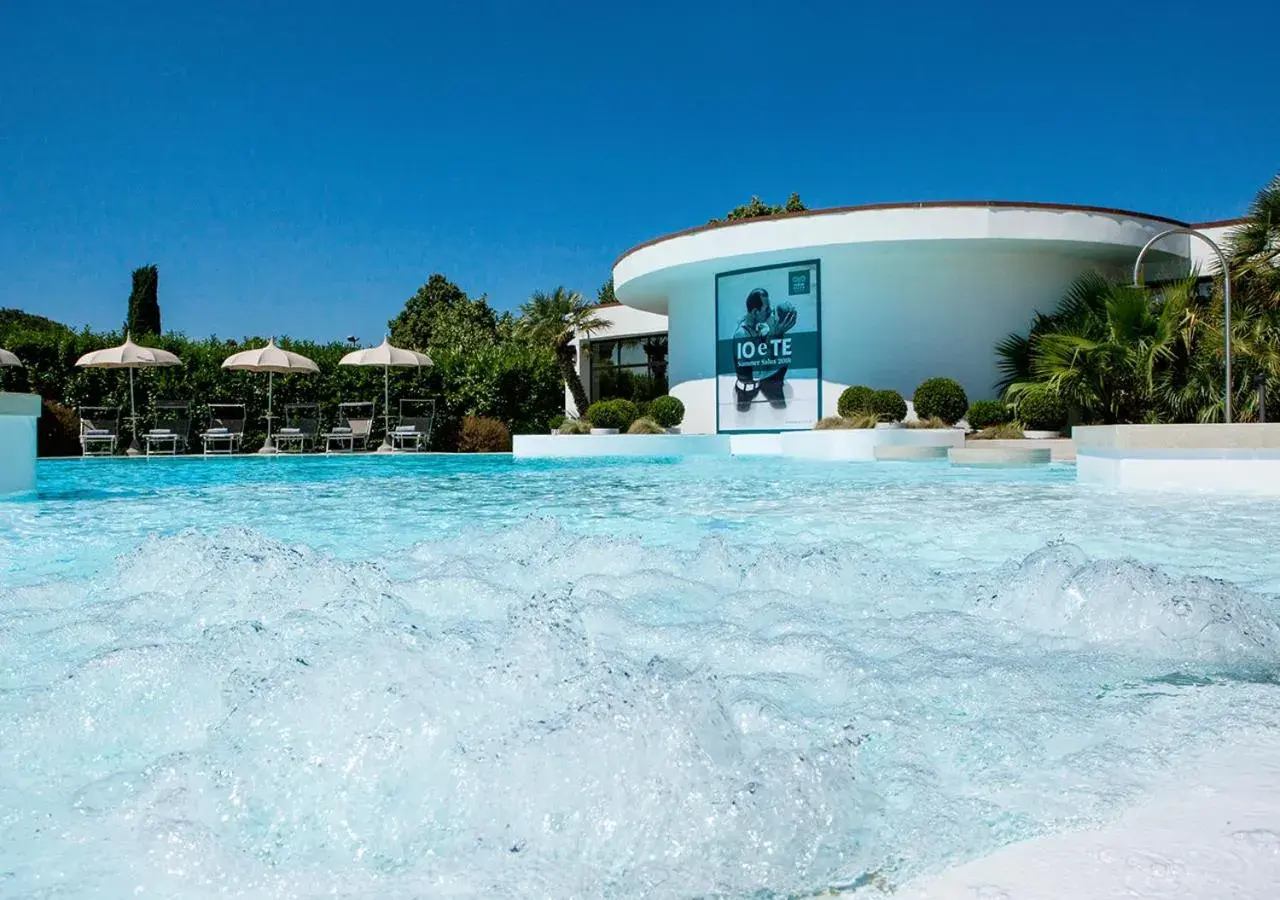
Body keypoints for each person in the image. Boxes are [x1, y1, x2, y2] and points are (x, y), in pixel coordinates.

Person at [733, 287, 797, 412]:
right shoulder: (741, 335)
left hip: (761, 388)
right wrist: (776, 336)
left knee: (779, 413)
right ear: (756, 312)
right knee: (743, 424)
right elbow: (757, 374)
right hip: (745, 395)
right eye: (767, 309)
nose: (770, 311)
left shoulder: (759, 327)